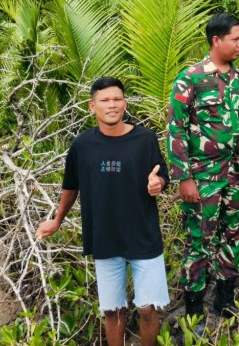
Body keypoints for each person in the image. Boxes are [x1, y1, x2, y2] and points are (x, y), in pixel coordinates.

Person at [37, 77, 170, 346]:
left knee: (147, 308)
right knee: (112, 311)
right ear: (92, 106)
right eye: (105, 100)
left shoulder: (145, 139)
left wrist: (158, 184)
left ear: (125, 103)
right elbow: (70, 187)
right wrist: (57, 220)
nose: (112, 105)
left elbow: (161, 175)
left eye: (117, 99)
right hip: (104, 238)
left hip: (144, 236)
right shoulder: (82, 146)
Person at [167, 12, 239, 328]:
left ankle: (224, 298)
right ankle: (194, 306)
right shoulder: (190, 79)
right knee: (198, 241)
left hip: (236, 175)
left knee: (233, 235)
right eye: (235, 39)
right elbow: (176, 130)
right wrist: (184, 177)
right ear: (216, 40)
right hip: (203, 177)